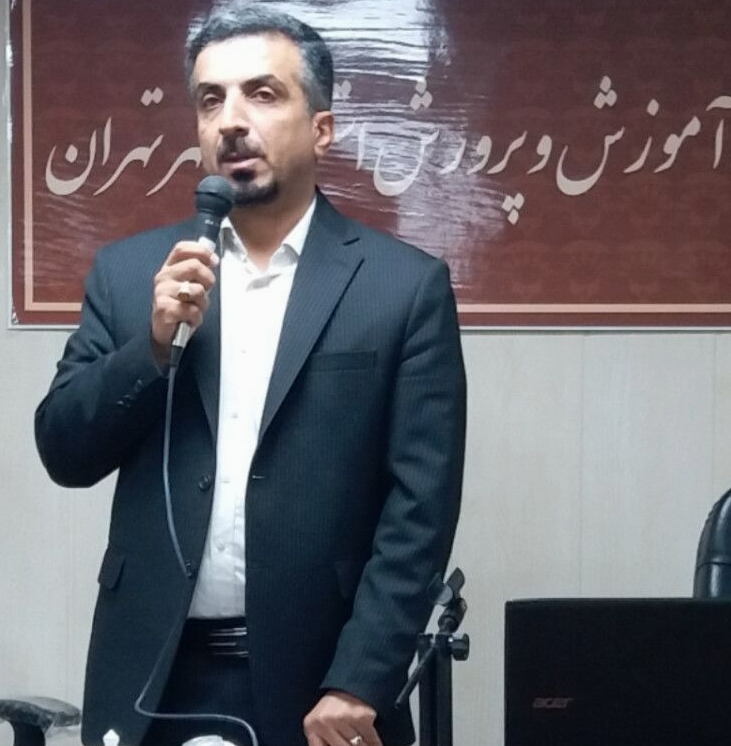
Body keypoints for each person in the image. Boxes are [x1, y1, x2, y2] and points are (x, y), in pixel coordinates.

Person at [35, 8, 466, 746]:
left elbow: (419, 510)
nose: (231, 121)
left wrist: (360, 679)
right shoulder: (131, 275)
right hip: (153, 676)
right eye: (211, 100)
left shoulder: (401, 288)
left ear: (322, 129)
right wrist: (153, 345)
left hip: (322, 685)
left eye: (262, 94)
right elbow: (64, 451)